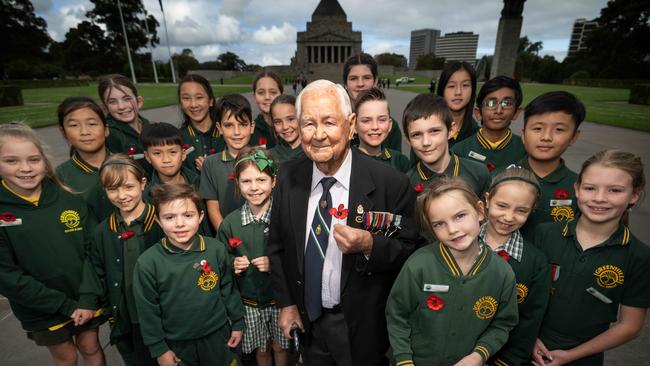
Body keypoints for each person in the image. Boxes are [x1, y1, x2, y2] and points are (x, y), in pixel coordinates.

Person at [268, 79, 419, 366]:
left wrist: (369, 245)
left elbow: (409, 249)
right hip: (309, 322)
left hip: (363, 328)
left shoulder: (390, 184)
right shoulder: (288, 176)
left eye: (329, 122)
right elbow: (277, 246)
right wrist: (287, 303)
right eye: (308, 124)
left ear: (350, 126)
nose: (318, 134)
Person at [0, 122, 105, 366]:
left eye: (33, 160)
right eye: (12, 161)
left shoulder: (68, 198)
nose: (25, 168)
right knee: (66, 356)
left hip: (84, 298)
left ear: (44, 161)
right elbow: (6, 276)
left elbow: (94, 251)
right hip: (41, 307)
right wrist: (64, 305)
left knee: (91, 346)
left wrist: (88, 298)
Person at [532, 150, 650, 365]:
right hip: (524, 348)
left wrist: (571, 356)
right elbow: (516, 292)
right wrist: (528, 337)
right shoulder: (544, 234)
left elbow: (630, 327)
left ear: (634, 195)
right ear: (577, 189)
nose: (599, 198)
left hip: (584, 359)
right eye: (590, 188)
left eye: (615, 190)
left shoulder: (639, 256)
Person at [386, 176, 518, 366]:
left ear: (480, 211)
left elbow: (503, 324)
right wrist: (404, 361)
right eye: (439, 224)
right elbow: (397, 316)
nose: (453, 229)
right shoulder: (418, 266)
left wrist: (478, 355)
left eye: (460, 216)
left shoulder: (502, 273)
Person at [134, 183, 244, 366]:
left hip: (218, 336)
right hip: (177, 344)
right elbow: (147, 311)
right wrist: (159, 348)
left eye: (188, 215)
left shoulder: (216, 249)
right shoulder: (147, 263)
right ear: (158, 221)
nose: (180, 224)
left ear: (200, 216)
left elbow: (228, 289)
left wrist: (238, 322)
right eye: (169, 217)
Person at [79, 154, 164, 365]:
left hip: (164, 313)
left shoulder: (163, 221)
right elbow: (95, 268)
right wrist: (88, 302)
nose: (121, 195)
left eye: (128, 187)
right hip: (127, 316)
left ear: (143, 183)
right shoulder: (103, 231)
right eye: (112, 189)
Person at [218, 147, 290, 366]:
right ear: (237, 183)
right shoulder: (230, 223)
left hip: (281, 301)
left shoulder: (285, 217)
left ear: (273, 181)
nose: (254, 187)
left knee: (280, 346)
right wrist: (232, 264)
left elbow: (298, 258)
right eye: (246, 181)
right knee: (261, 349)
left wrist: (275, 264)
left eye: (261, 179)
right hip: (249, 303)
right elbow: (220, 262)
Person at [480, 167, 551, 365]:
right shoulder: (461, 243)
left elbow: (530, 321)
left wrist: (508, 361)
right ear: (487, 200)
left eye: (521, 210)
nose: (509, 217)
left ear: (532, 210)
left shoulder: (536, 263)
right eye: (502, 205)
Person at [518, 91, 584, 238]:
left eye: (559, 130)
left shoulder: (581, 188)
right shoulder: (499, 177)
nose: (546, 137)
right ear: (523, 134)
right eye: (537, 129)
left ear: (574, 136)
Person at [404, 93, 490, 198]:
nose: (426, 142)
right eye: (416, 135)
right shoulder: (406, 185)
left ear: (451, 130)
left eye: (434, 131)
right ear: (408, 139)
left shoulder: (478, 173)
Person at [140, 122, 211, 235]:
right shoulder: (147, 197)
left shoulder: (200, 182)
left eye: (172, 152)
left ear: (183, 154)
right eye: (157, 153)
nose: (166, 159)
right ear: (148, 157)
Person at [200, 93, 253, 231]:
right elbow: (213, 208)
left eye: (242, 125)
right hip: (228, 235)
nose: (236, 132)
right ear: (219, 128)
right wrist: (227, 237)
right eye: (229, 125)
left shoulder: (264, 159)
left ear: (251, 127)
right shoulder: (210, 164)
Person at [453, 76, 527, 174]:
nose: (499, 110)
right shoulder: (459, 151)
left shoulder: (525, 150)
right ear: (478, 113)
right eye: (491, 103)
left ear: (516, 112)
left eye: (507, 103)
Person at [56, 96, 113, 221]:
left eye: (92, 123)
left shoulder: (127, 165)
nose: (85, 131)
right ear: (63, 132)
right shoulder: (59, 177)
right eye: (74, 125)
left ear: (106, 129)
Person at [342, 53, 403, 152]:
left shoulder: (389, 126)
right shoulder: (335, 123)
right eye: (353, 78)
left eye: (366, 78)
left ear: (375, 81)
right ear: (345, 84)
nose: (360, 84)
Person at [97, 74, 153, 175]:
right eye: (112, 102)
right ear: (104, 108)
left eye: (127, 99)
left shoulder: (149, 126)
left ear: (139, 101)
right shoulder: (108, 134)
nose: (121, 106)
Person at [353, 87, 410, 173]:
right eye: (366, 121)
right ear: (354, 126)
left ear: (390, 125)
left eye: (382, 120)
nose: (375, 127)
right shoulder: (346, 161)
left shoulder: (400, 162)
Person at [177, 74, 224, 173]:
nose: (193, 104)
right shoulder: (177, 139)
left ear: (210, 101)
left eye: (199, 97)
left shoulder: (228, 133)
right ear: (180, 103)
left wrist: (211, 172)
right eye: (186, 98)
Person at [438, 61, 479, 147]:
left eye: (465, 85)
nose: (458, 92)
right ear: (442, 90)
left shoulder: (478, 136)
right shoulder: (426, 129)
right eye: (451, 86)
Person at [268, 95, 305, 163]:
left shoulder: (313, 151)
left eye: (290, 119)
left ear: (301, 117)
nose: (285, 127)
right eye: (278, 122)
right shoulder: (269, 157)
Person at [251, 70, 283, 149]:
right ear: (254, 97)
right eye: (261, 93)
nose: (267, 97)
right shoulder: (250, 132)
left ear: (281, 95)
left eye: (273, 92)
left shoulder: (295, 126)